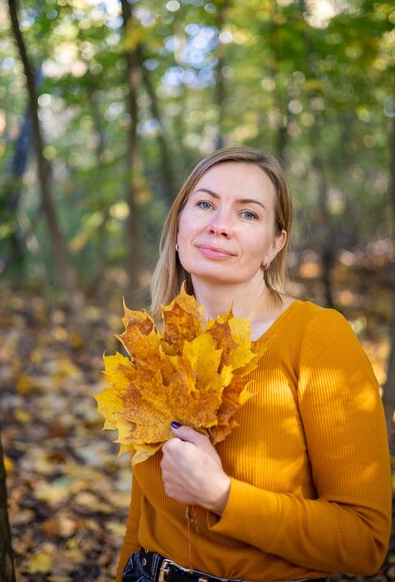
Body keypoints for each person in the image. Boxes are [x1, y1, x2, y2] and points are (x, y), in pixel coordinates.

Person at [115, 146, 391, 582]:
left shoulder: (317, 338)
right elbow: (144, 517)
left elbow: (365, 542)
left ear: (274, 244)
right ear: (178, 227)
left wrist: (221, 495)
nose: (219, 226)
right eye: (205, 204)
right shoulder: (158, 342)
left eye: (248, 215)